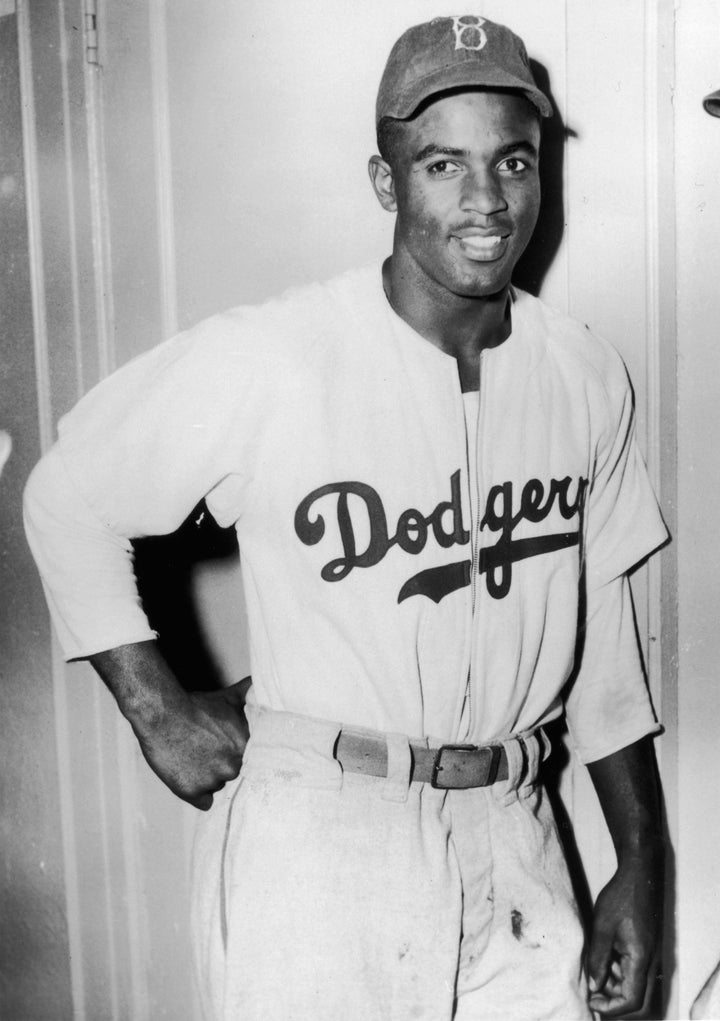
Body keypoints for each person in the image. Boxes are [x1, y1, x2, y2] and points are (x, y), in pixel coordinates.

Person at [24, 15, 667, 1021]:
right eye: (442, 164)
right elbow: (68, 492)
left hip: (515, 827)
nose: (487, 201)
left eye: (514, 161)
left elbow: (607, 648)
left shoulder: (583, 372)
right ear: (386, 181)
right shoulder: (277, 356)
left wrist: (641, 862)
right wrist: (155, 704)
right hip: (326, 840)